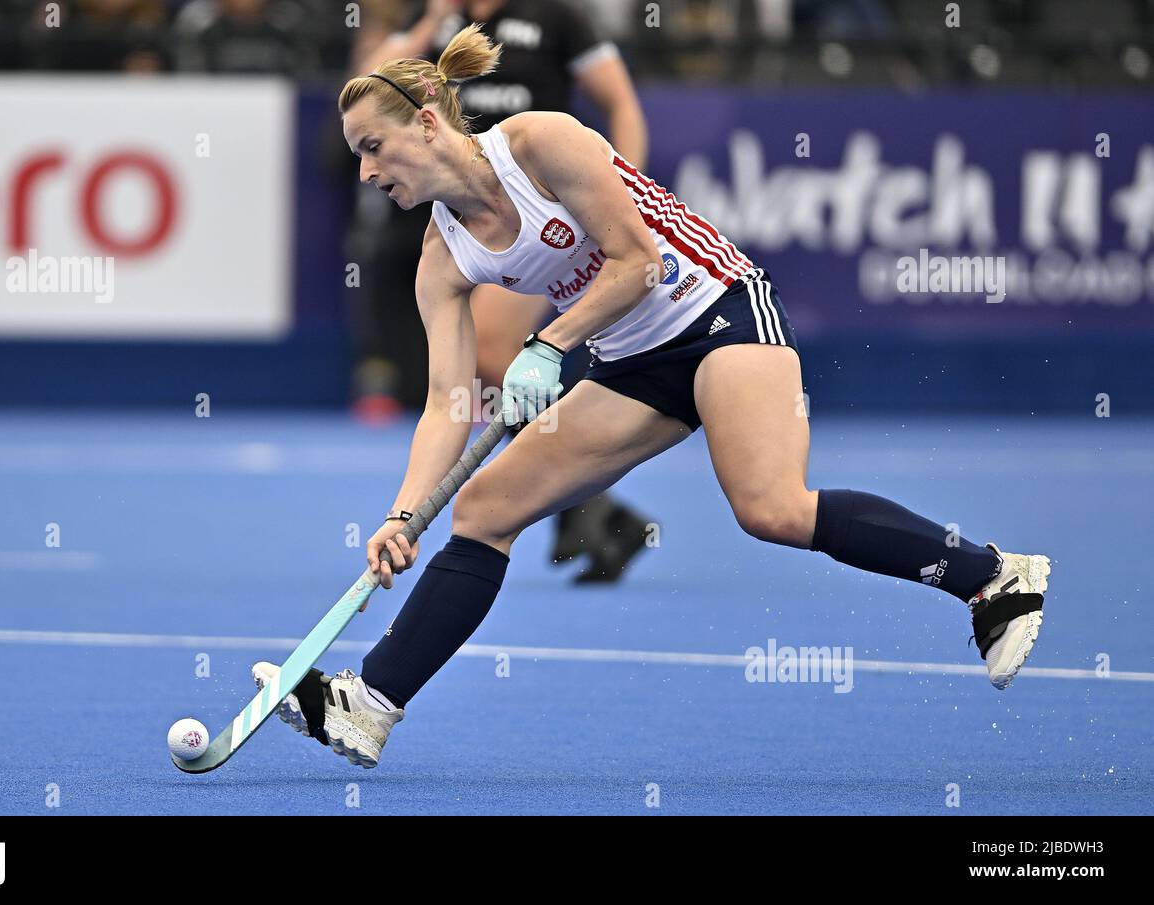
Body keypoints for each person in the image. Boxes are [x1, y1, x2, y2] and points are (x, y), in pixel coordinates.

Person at [254, 25, 1052, 768]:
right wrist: (401, 514)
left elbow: (634, 260)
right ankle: (371, 701)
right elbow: (443, 405)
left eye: (373, 147)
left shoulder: (540, 142)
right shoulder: (442, 255)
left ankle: (990, 575)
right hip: (631, 359)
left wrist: (547, 346)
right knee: (482, 509)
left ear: (428, 121)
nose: (364, 171)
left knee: (770, 507)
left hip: (718, 311)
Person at [348, 0, 656, 583]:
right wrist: (422, 28)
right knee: (491, 365)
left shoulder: (556, 18)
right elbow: (366, 91)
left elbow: (620, 102)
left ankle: (580, 500)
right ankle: (588, 509)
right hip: (491, 220)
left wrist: (624, 192)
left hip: (553, 202)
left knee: (495, 353)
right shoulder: (431, 19)